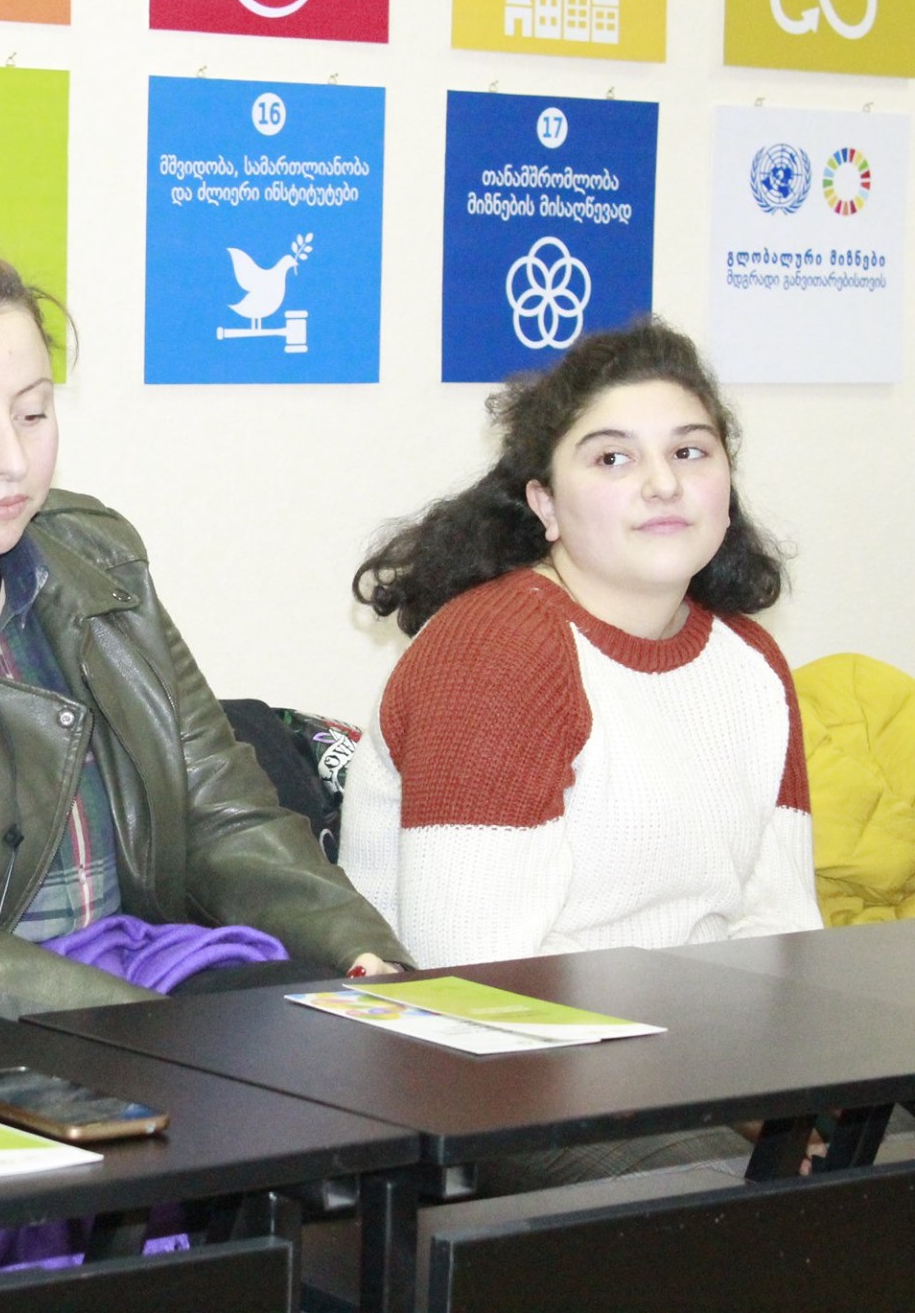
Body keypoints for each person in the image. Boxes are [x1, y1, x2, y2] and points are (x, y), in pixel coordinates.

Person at [0, 218, 408, 1026]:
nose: (11, 460)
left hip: (145, 1006)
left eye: (33, 413)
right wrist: (147, 1030)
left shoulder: (98, 557)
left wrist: (363, 953)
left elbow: (223, 814)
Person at [339, 318, 820, 972]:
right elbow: (474, 976)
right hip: (490, 1031)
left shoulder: (752, 660)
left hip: (698, 1030)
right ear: (546, 505)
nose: (663, 484)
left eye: (689, 451)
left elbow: (783, 935)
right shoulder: (493, 651)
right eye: (612, 458)